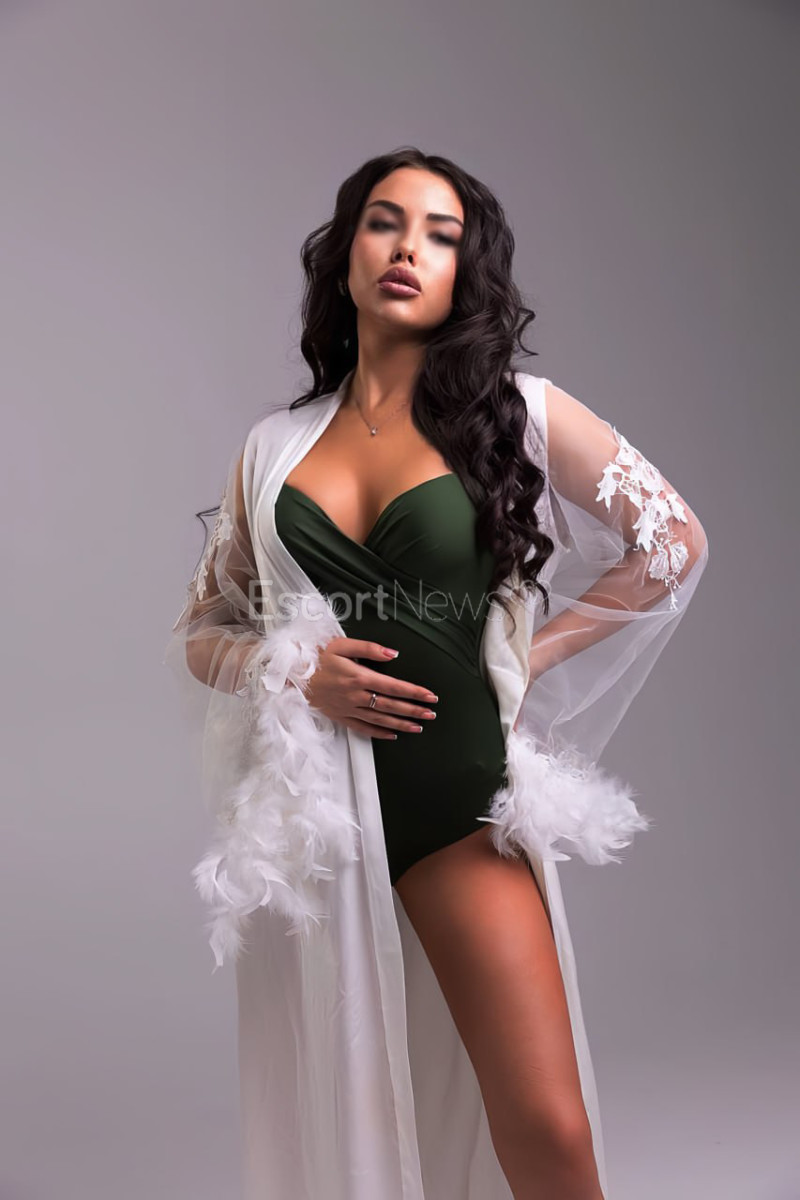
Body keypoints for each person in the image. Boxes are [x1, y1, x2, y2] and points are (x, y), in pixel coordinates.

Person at [164, 147, 709, 1200]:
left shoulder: (519, 412)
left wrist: (526, 656)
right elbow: (203, 630)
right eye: (384, 222)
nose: (407, 248)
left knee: (546, 1129)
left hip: (453, 806)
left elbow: (673, 542)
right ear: (345, 252)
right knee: (360, 1127)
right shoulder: (271, 448)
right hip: (323, 825)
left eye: (440, 234)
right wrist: (293, 671)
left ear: (466, 271)